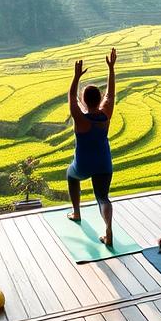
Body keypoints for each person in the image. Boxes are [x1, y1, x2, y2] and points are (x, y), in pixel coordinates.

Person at [66, 48, 117, 246]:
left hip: (84, 164)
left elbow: (71, 97)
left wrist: (76, 76)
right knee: (103, 198)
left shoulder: (80, 119)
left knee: (71, 175)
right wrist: (111, 69)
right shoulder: (106, 114)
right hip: (104, 162)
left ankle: (77, 212)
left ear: (84, 100)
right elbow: (111, 94)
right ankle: (108, 231)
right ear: (99, 99)